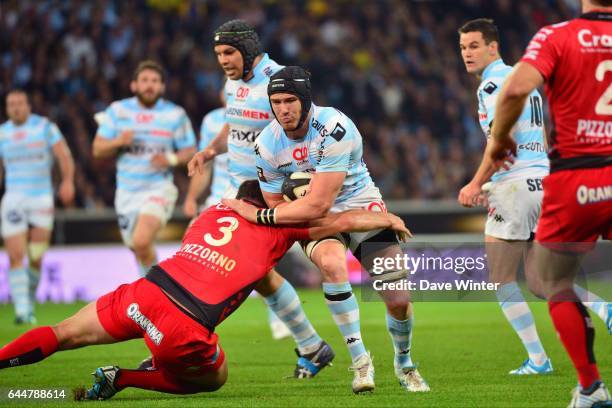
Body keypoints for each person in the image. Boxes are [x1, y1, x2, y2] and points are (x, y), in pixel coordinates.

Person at [0, 180, 411, 401]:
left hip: (146, 291)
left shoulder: (213, 211)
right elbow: (339, 222)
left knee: (62, 334)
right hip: (185, 324)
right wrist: (388, 217)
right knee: (213, 380)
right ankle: (122, 378)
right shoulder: (280, 224)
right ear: (264, 203)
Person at [221, 66, 429, 393]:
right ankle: (361, 363)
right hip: (310, 213)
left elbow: (320, 205)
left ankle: (404, 363)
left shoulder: (333, 127)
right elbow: (278, 207)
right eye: (276, 101)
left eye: (290, 100)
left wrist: (315, 213)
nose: (283, 109)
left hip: (356, 199)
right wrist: (285, 213)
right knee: (332, 264)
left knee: (398, 297)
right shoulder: (265, 145)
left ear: (305, 100)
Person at [485, 1, 611, 406]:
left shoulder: (556, 35)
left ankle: (590, 387)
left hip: (577, 175)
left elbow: (517, 89)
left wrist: (501, 136)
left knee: (551, 282)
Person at [188, 20, 328, 368]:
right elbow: (235, 127)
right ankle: (312, 346)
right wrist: (208, 152)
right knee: (260, 276)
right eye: (218, 53)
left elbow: (307, 132)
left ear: (248, 50)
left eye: (229, 52)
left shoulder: (279, 82)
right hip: (232, 188)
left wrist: (298, 181)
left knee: (209, 262)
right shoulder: (233, 84)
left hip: (263, 193)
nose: (223, 60)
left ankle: (182, 341)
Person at [457, 18, 554, 375]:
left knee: (501, 277)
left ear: (492, 47)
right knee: (543, 282)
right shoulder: (525, 79)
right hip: (544, 180)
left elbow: (500, 139)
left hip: (516, 184)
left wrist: (476, 183)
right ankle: (603, 308)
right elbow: (535, 138)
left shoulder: (494, 84)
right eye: (463, 48)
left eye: (474, 46)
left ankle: (539, 360)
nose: (467, 54)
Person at [92, 60, 197, 276]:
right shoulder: (118, 111)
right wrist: (118, 142)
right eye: (145, 80)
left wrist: (170, 158)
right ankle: (155, 289)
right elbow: (97, 149)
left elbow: (191, 151)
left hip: (159, 189)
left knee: (141, 240)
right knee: (138, 247)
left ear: (162, 87)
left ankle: (153, 295)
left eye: (155, 81)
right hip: (126, 193)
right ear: (134, 85)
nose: (150, 85)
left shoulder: (175, 114)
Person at [0, 89, 75, 324]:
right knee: (15, 254)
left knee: (36, 255)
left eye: (20, 103)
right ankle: (23, 310)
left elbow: (64, 156)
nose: (16, 108)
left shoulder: (45, 128)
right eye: (11, 104)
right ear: (7, 108)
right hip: (13, 198)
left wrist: (67, 181)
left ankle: (29, 301)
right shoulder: (2, 133)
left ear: (28, 105)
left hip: (41, 198)